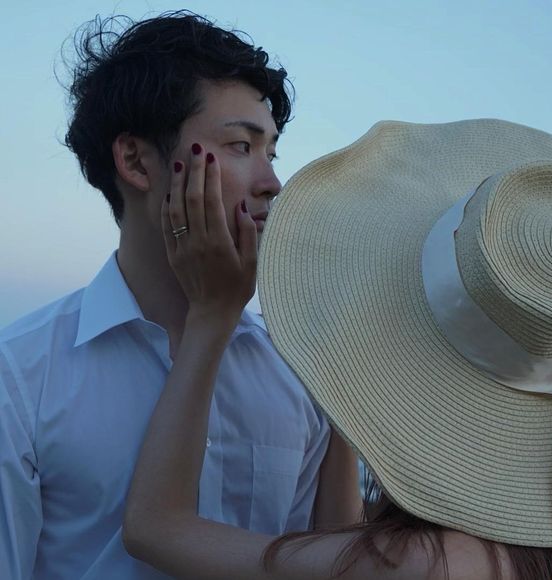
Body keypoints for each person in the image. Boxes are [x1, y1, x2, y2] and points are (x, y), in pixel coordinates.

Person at [123, 118, 552, 580]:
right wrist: (341, 389)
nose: (270, 180)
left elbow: (156, 528)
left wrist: (211, 314)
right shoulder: (544, 544)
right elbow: (336, 536)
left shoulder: (422, 562)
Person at [0, 12, 358, 580]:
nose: (272, 184)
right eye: (240, 145)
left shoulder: (296, 370)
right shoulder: (20, 374)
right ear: (136, 161)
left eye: (271, 153)